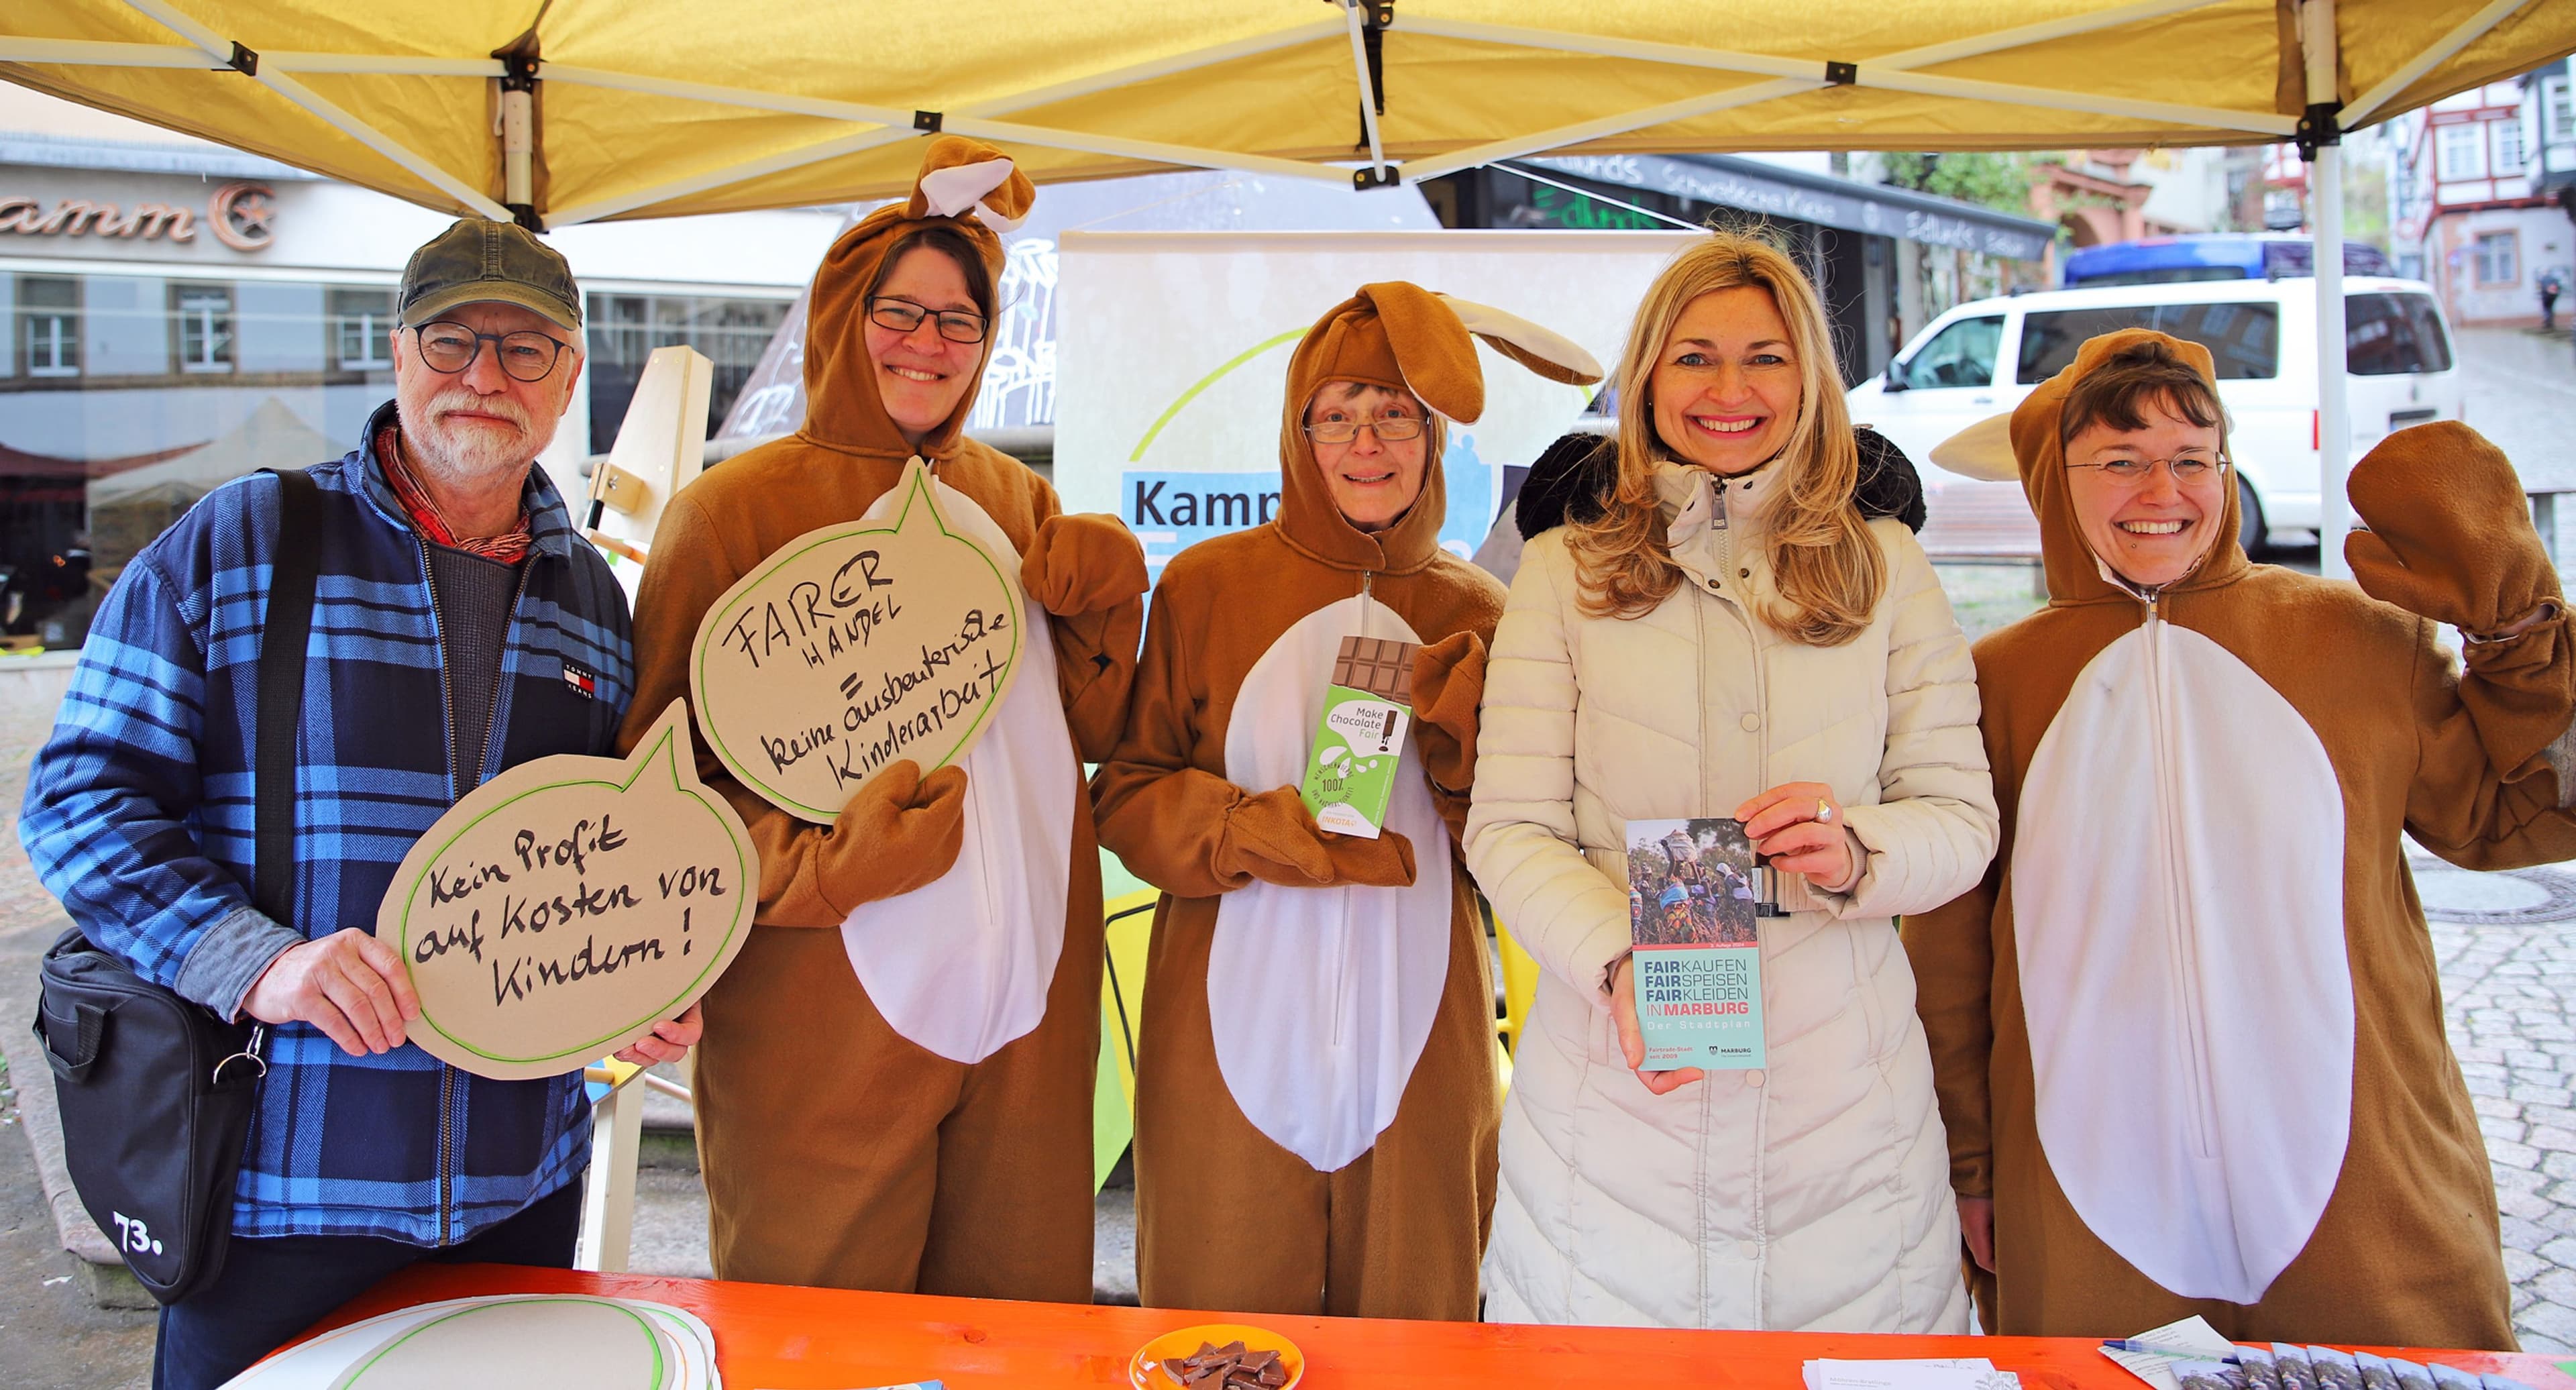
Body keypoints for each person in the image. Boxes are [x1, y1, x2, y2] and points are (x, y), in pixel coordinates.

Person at [19, 217, 695, 1390]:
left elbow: (601, 865)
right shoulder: (247, 540)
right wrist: (254, 960)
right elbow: (80, 799)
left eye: (526, 348)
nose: (485, 375)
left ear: (570, 377)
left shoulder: (593, 599)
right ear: (396, 352)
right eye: (453, 338)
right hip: (279, 1186)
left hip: (516, 1192)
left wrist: (633, 987)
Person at [1902, 329, 2572, 1348]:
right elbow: (1948, 952)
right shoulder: (1990, 683)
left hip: (2363, 1181)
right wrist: (1971, 1170)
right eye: (2119, 462)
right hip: (2085, 1186)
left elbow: (2515, 814)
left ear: (2226, 470)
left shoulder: (2363, 637)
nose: (2159, 489)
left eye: (2189, 459)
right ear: (2055, 482)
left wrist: (2522, 638)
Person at [618, 136, 1145, 1301]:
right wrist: (824, 870)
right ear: (842, 313)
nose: (930, 346)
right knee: (816, 1332)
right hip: (821, 1021)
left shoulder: (1021, 498)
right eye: (900, 312)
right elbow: (655, 795)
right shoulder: (730, 512)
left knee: (1015, 1338)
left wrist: (1113, 606)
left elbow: (1089, 728)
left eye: (962, 321)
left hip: (1028, 1013)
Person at [1466, 230, 1998, 1330]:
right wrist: (1617, 964)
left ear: (1809, 375)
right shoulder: (1566, 566)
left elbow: (1961, 814)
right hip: (1612, 1115)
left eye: (1765, 356)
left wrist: (1859, 850)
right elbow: (1508, 828)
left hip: (1844, 1114)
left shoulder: (1883, 558)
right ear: (1649, 375)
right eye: (1694, 356)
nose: (1729, 389)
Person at [1092, 282, 1599, 1319]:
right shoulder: (1205, 586)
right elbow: (1126, 793)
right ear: (1298, 431)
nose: (1368, 444)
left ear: (1436, 434)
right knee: (1216, 1327)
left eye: (1397, 414)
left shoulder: (1486, 611)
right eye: (1338, 416)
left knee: (1419, 1317)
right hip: (1229, 1030)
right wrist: (1242, 827)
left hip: (1422, 1037)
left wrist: (1463, 770)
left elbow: (1532, 842)